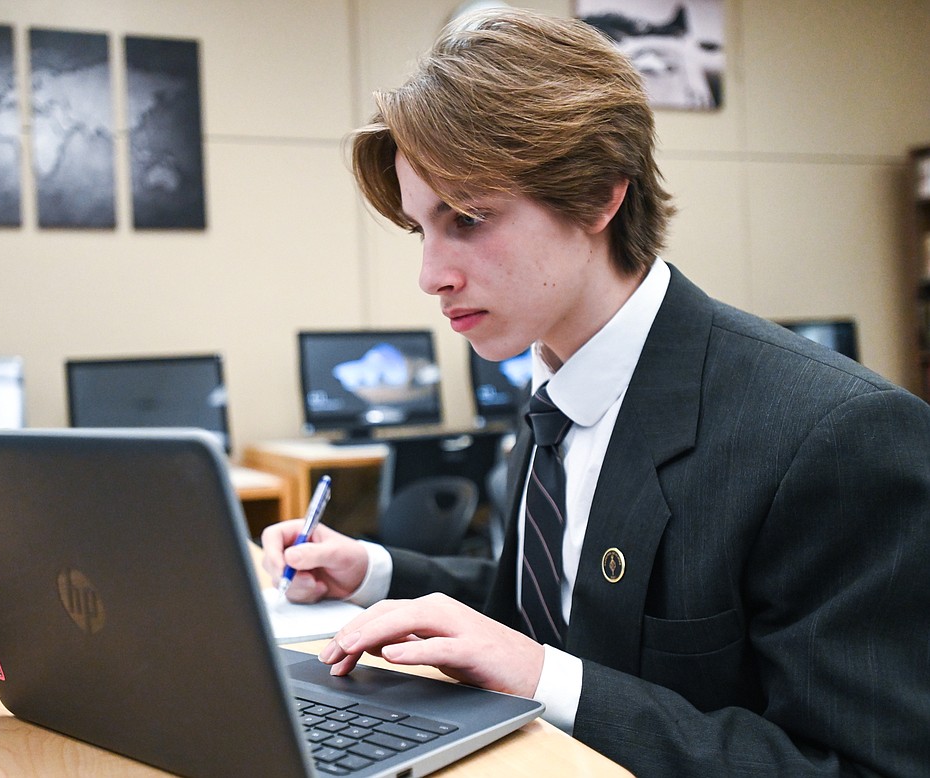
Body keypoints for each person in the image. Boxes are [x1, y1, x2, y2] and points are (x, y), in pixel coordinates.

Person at [261, 8, 930, 776]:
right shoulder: (553, 383)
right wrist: (375, 571)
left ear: (600, 195)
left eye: (469, 217)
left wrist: (545, 677)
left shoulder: (835, 436)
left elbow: (867, 766)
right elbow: (562, 603)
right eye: (422, 230)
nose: (431, 275)